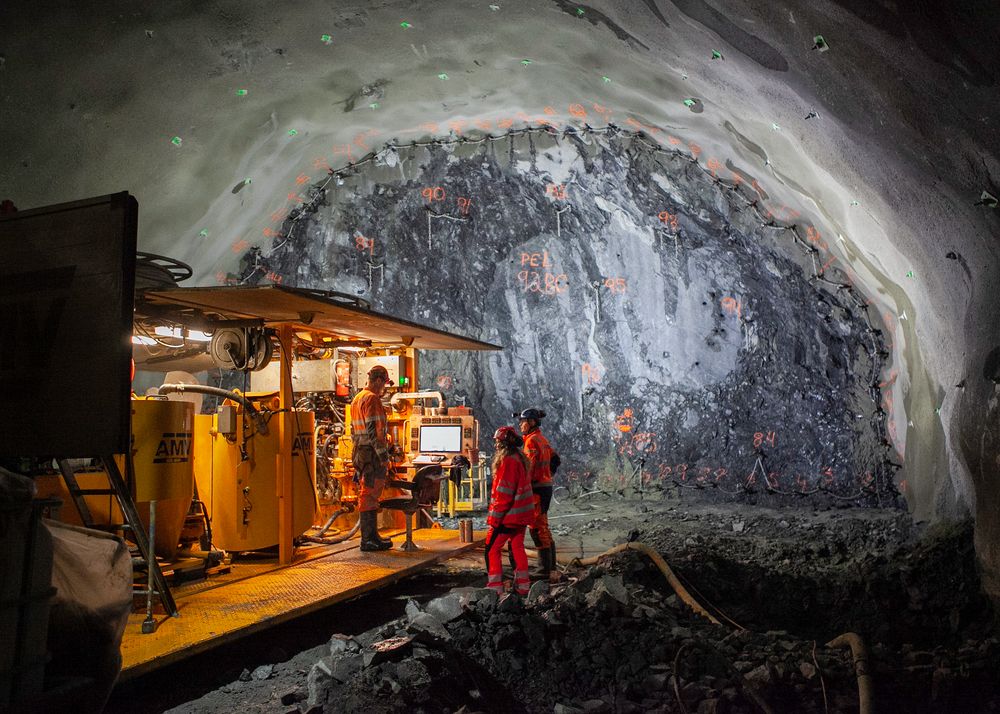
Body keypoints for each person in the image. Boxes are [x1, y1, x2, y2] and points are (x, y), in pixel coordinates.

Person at [485, 426, 535, 595]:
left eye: (498, 442)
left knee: (492, 549)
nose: (496, 445)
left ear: (505, 443)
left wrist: (495, 519)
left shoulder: (507, 462)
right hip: (521, 516)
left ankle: (495, 589)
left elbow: (503, 495)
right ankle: (523, 587)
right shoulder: (520, 459)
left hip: (509, 517)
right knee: (517, 547)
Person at [351, 365, 393, 551]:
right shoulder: (372, 399)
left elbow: (357, 431)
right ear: (377, 381)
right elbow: (373, 430)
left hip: (361, 452)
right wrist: (384, 456)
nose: (384, 387)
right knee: (370, 493)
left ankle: (371, 536)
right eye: (383, 383)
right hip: (371, 455)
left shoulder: (357, 398)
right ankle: (368, 539)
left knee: (367, 492)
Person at [515, 407, 558, 579]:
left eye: (523, 422)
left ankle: (544, 569)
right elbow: (556, 459)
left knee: (537, 527)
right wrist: (548, 475)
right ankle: (550, 567)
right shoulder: (542, 439)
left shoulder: (531, 441)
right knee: (543, 526)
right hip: (544, 486)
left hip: (537, 489)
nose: (520, 425)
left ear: (532, 422)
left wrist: (521, 487)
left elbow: (529, 467)